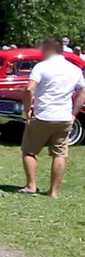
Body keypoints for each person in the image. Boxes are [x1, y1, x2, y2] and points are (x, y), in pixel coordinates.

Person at [19, 38, 85, 198]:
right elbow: (82, 93)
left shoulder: (41, 67)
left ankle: (31, 185)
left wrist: (27, 109)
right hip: (63, 117)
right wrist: (73, 114)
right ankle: (53, 191)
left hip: (43, 115)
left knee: (29, 151)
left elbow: (29, 89)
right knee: (60, 153)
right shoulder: (74, 69)